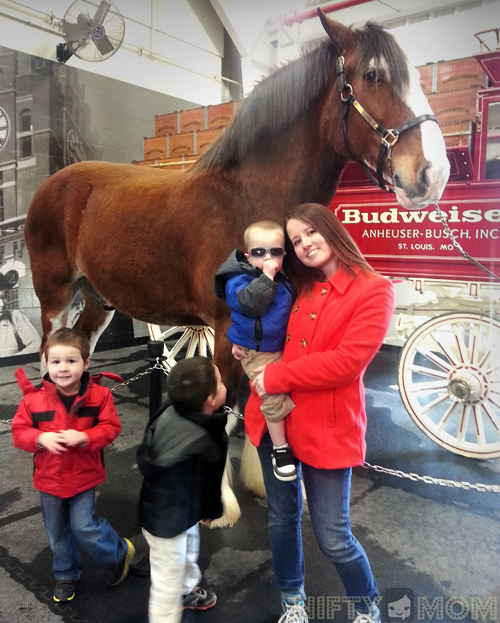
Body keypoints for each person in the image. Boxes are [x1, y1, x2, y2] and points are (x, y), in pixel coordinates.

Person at [236, 204, 395, 623]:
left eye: (310, 233)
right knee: (281, 519)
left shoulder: (374, 289)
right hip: (277, 425)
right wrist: (245, 349)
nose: (304, 244)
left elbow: (347, 363)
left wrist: (275, 376)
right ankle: (292, 601)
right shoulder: (296, 286)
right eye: (296, 240)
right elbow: (263, 327)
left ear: (330, 230)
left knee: (333, 536)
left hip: (327, 427)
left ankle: (367, 606)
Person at [11, 327, 134, 603]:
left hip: (83, 478)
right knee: (56, 534)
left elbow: (111, 428)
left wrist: (86, 436)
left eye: (71, 361)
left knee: (83, 527)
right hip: (49, 480)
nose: (62, 368)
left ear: (86, 363)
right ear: (46, 363)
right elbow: (19, 432)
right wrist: (39, 437)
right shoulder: (33, 400)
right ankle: (65, 575)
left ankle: (118, 553)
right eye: (55, 362)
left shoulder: (100, 396)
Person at [136, 356, 228, 623]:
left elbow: (148, 447)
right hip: (168, 523)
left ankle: (187, 590)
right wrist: (212, 510)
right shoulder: (209, 438)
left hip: (164, 509)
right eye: (220, 382)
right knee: (166, 582)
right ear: (212, 400)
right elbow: (211, 483)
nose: (224, 385)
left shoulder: (167, 409)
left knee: (189, 549)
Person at [214, 220, 296, 481]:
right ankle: (280, 449)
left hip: (278, 346)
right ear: (248, 256)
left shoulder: (282, 279)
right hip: (257, 351)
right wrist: (269, 276)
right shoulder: (238, 279)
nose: (268, 258)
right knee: (272, 394)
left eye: (276, 252)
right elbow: (250, 304)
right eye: (260, 253)